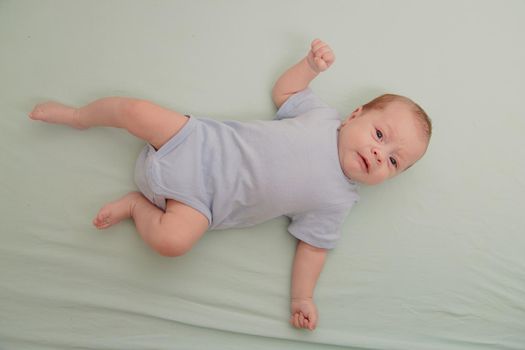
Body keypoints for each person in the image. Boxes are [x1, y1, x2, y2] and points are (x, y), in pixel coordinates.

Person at [29, 39, 431, 331]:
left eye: (394, 161)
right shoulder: (321, 117)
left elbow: (313, 248)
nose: (380, 155)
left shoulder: (338, 201)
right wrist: (309, 66)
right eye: (380, 135)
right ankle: (80, 116)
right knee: (135, 110)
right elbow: (286, 90)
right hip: (195, 141)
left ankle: (137, 206)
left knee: (174, 244)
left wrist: (302, 298)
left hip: (198, 203)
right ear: (355, 114)